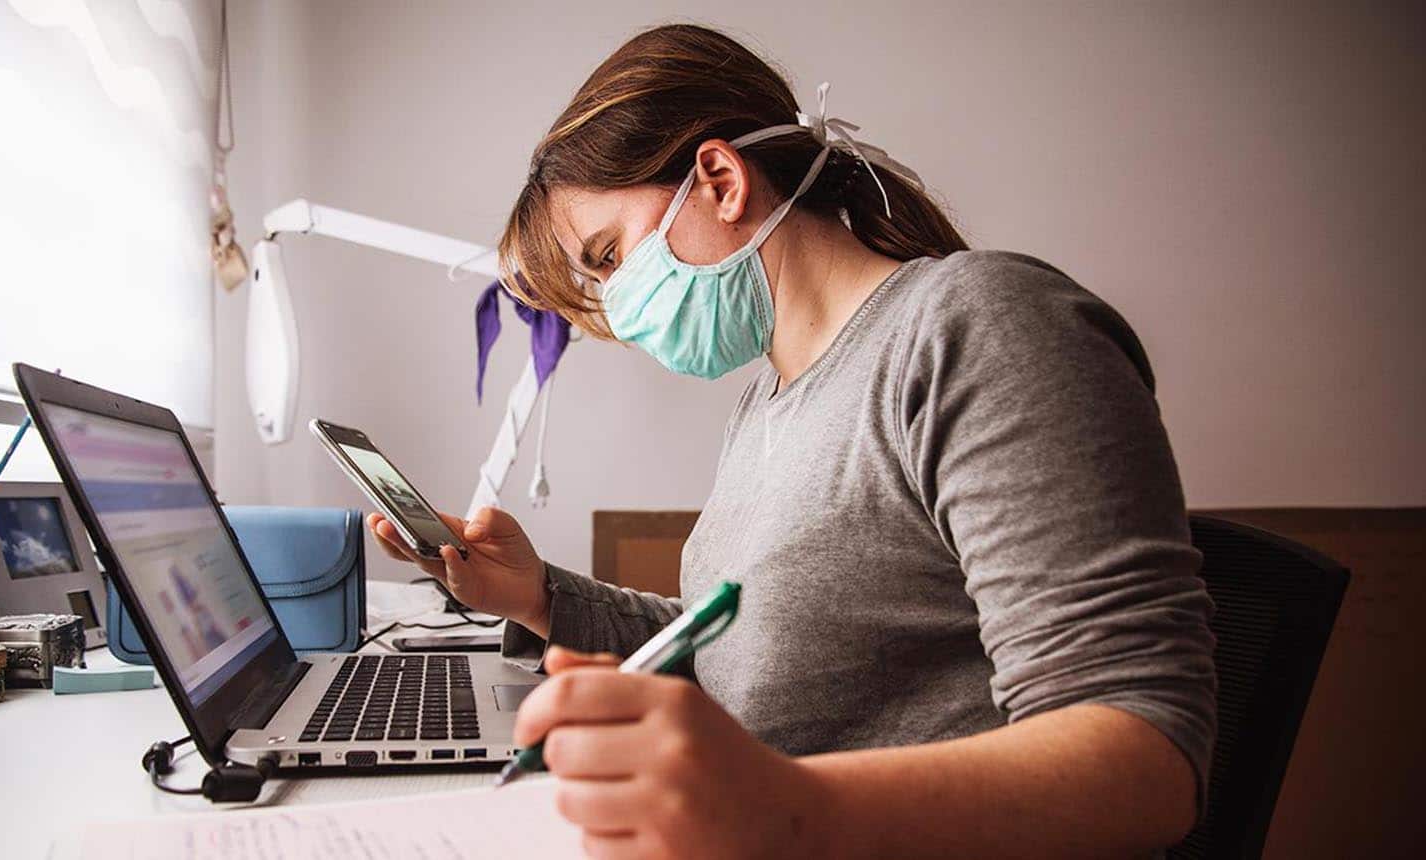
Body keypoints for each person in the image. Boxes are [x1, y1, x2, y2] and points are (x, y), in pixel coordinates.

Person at [371, 23, 1216, 859]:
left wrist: (782, 806)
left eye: (610, 256)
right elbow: (738, 655)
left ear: (720, 181)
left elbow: (1143, 762)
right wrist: (539, 597)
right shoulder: (766, 403)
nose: (619, 311)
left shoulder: (976, 328)